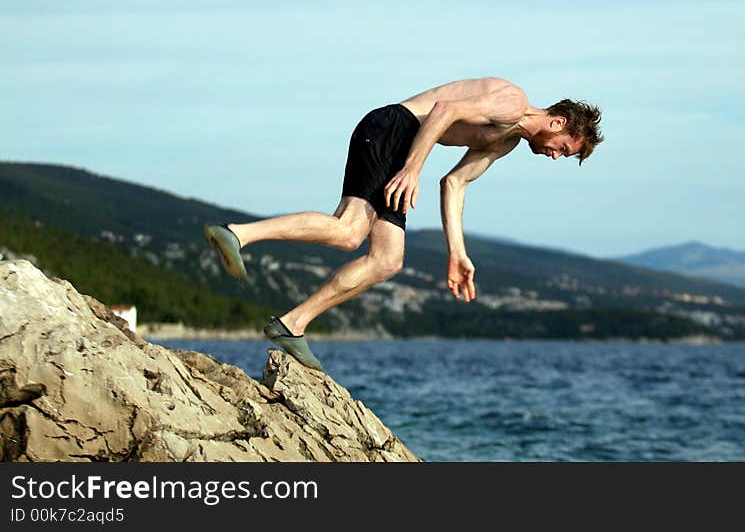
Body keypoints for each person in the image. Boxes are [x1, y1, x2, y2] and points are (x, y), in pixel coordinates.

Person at [204, 76, 604, 371]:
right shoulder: (513, 103)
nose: (555, 157)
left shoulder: (505, 142)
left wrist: (457, 255)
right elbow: (445, 112)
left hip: (405, 147)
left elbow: (455, 184)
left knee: (387, 259)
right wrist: (412, 169)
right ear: (558, 124)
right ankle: (238, 234)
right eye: (564, 149)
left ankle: (291, 325)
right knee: (347, 231)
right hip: (393, 130)